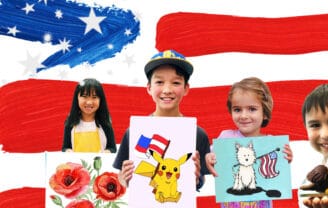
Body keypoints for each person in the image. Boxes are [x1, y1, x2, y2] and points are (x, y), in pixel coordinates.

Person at [112, 49, 211, 190]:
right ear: (149, 88)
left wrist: (197, 178)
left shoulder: (197, 134)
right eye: (159, 82)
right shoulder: (137, 132)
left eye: (176, 83)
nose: (167, 89)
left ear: (186, 88)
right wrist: (124, 178)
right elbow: (122, 178)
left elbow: (202, 180)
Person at [205, 77, 293, 208]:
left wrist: (287, 157)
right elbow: (210, 159)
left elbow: (278, 170)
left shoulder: (271, 143)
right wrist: (209, 158)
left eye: (252, 109)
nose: (244, 115)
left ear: (265, 113)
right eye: (237, 109)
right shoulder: (225, 138)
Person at [62, 78, 117, 153]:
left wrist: (107, 152)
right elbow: (65, 147)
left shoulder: (105, 123)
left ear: (101, 100)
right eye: (84, 96)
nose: (89, 102)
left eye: (94, 97)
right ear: (77, 98)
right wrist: (68, 151)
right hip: (77, 164)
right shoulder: (70, 122)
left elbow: (112, 148)